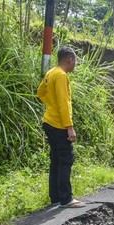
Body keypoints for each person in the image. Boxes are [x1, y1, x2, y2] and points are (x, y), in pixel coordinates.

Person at [37, 46, 86, 208]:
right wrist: (69, 127)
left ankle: (56, 197)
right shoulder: (61, 76)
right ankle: (66, 198)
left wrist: (50, 105)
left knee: (56, 160)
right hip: (58, 124)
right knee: (65, 159)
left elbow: (40, 92)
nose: (75, 64)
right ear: (69, 60)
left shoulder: (51, 73)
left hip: (49, 121)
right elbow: (64, 104)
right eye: (75, 61)